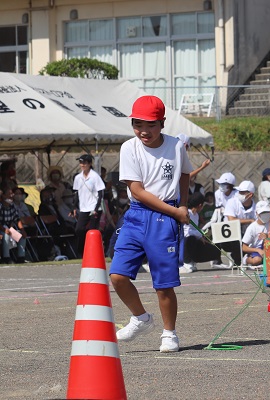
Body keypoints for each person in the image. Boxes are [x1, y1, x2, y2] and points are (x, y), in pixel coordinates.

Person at [109, 95, 193, 353]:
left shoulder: (177, 147)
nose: (144, 131)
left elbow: (185, 175)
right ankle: (141, 318)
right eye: (138, 124)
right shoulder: (129, 147)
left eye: (151, 125)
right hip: (136, 215)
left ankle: (169, 333)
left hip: (164, 220)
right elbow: (137, 189)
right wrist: (177, 211)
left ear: (162, 123)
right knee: (117, 275)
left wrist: (183, 206)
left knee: (164, 284)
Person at [179, 193, 224, 273]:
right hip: (184, 242)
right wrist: (200, 233)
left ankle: (193, 260)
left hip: (195, 241)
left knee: (215, 251)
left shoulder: (196, 215)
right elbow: (186, 232)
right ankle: (186, 262)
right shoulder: (187, 213)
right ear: (200, 205)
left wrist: (201, 237)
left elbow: (195, 231)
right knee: (190, 239)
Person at [72, 154, 105, 258]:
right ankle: (81, 251)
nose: (82, 165)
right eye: (81, 163)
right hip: (83, 208)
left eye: (85, 163)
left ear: (89, 164)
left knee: (92, 230)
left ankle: (92, 253)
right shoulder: (78, 177)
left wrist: (96, 209)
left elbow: (100, 194)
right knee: (79, 229)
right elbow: (76, 193)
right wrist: (74, 207)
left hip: (94, 207)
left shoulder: (95, 176)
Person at [222, 180, 257, 266]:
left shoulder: (255, 207)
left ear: (250, 194)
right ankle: (236, 258)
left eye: (242, 192)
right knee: (237, 242)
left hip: (246, 235)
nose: (239, 194)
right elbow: (231, 220)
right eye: (239, 192)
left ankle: (244, 258)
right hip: (228, 236)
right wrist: (250, 221)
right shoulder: (232, 202)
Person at [0, 185, 27, 263]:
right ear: (4, 196)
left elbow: (17, 219)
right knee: (6, 236)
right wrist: (4, 230)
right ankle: (6, 257)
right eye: (9, 194)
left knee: (22, 237)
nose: (12, 195)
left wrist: (22, 230)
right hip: (2, 228)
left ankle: (21, 257)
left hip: (9, 228)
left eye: (12, 194)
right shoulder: (0, 206)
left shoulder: (12, 206)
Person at [241, 200, 270, 268]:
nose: (265, 215)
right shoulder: (252, 227)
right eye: (262, 213)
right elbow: (244, 247)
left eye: (267, 212)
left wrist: (267, 237)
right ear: (257, 213)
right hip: (256, 249)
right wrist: (258, 250)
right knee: (257, 260)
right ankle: (246, 260)